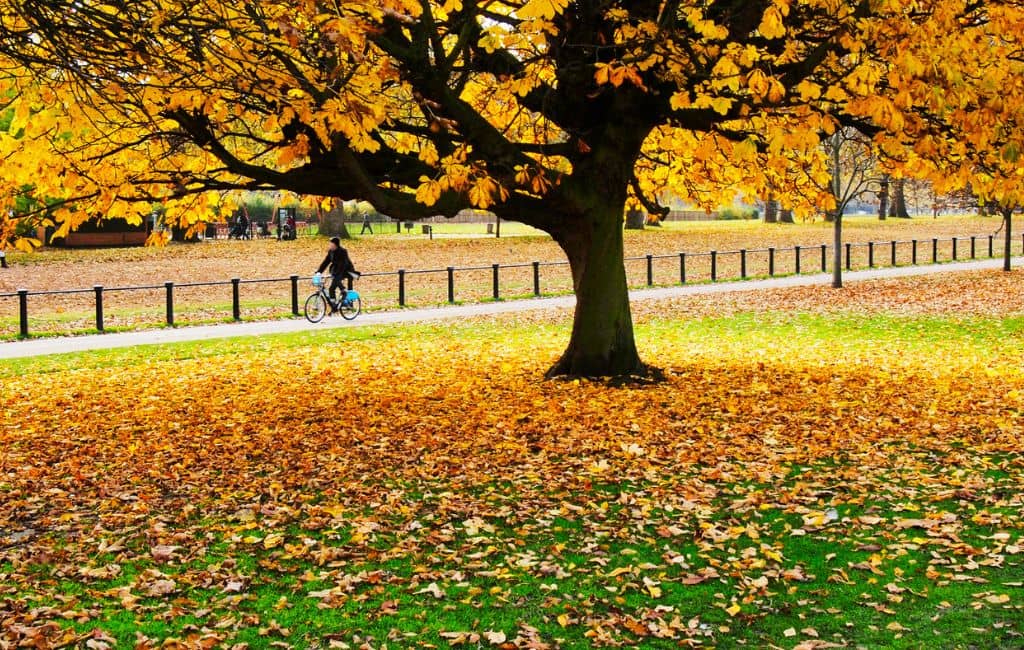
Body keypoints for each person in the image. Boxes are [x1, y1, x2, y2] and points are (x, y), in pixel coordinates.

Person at [316, 237, 359, 308]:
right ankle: (334, 305)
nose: (330, 246)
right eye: (330, 245)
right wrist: (319, 271)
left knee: (336, 280)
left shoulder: (343, 251)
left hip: (346, 270)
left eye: (331, 245)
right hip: (336, 270)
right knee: (331, 289)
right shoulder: (331, 252)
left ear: (336, 245)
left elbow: (344, 264)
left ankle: (344, 292)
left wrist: (336, 273)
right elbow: (326, 262)